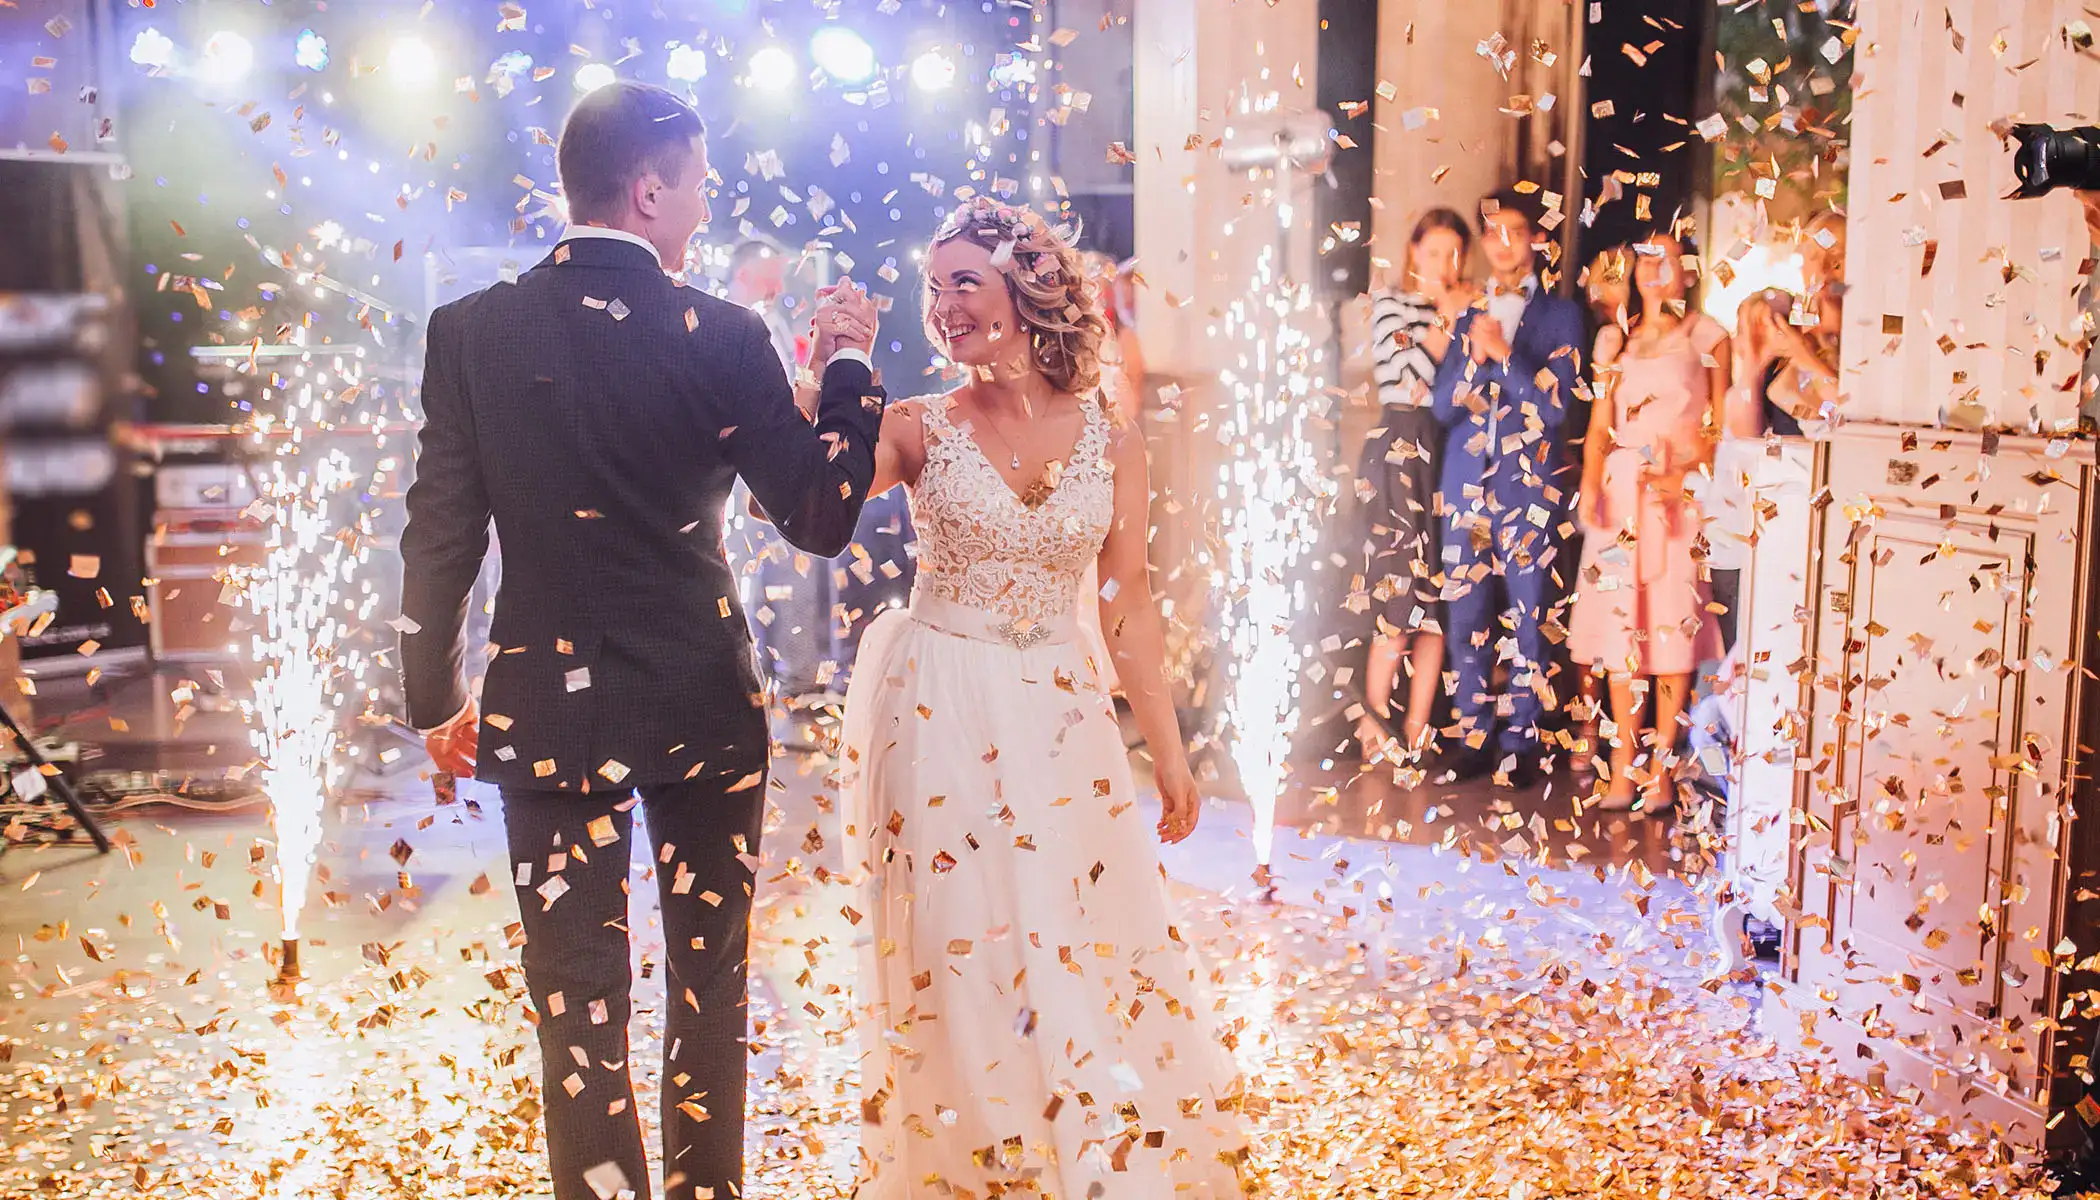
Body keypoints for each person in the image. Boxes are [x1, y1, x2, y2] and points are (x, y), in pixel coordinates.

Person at [396, 82, 886, 1200]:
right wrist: (848, 371)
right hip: (701, 701)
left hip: (545, 710)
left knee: (575, 1006)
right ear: (649, 190)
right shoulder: (724, 334)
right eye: (699, 183)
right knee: (712, 991)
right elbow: (821, 515)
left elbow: (440, 536)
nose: (706, 207)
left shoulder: (470, 332)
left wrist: (437, 700)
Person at [839, 196, 1250, 1198]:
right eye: (934, 289)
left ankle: (1080, 1161)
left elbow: (1128, 603)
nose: (945, 306)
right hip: (937, 706)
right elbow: (814, 500)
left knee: (1076, 936)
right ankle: (979, 1169)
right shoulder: (915, 428)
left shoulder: (1112, 439)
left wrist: (1168, 751)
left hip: (1062, 713)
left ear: (1027, 292)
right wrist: (832, 376)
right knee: (959, 943)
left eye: (965, 283)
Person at [1567, 231, 1731, 813]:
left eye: (1667, 258)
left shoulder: (1708, 337)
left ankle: (1661, 773)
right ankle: (1621, 768)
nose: (1654, 268)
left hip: (1675, 499)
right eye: (1645, 258)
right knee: (1620, 635)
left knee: (1670, 634)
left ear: (1687, 270)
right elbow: (1599, 425)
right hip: (1621, 497)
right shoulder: (1616, 340)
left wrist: (1686, 474)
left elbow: (1721, 427)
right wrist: (1591, 482)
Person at [1429, 187, 1587, 785]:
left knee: (1529, 616)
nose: (1501, 244)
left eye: (1514, 232)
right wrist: (1474, 358)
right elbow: (1442, 408)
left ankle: (1521, 740)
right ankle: (1472, 733)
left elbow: (1555, 409)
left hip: (1527, 491)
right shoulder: (1469, 315)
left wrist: (1506, 357)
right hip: (1468, 489)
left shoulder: (1563, 315)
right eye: (1491, 233)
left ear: (1536, 240)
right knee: (1466, 614)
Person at [1352, 207, 1475, 766]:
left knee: (1437, 604)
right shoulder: (1391, 304)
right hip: (1400, 451)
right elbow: (1408, 377)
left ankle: (1417, 731)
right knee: (1398, 597)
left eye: (1453, 255)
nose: (1444, 265)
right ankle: (1373, 728)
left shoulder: (1464, 310)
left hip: (1444, 454)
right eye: (1433, 253)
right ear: (1413, 253)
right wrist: (1448, 319)